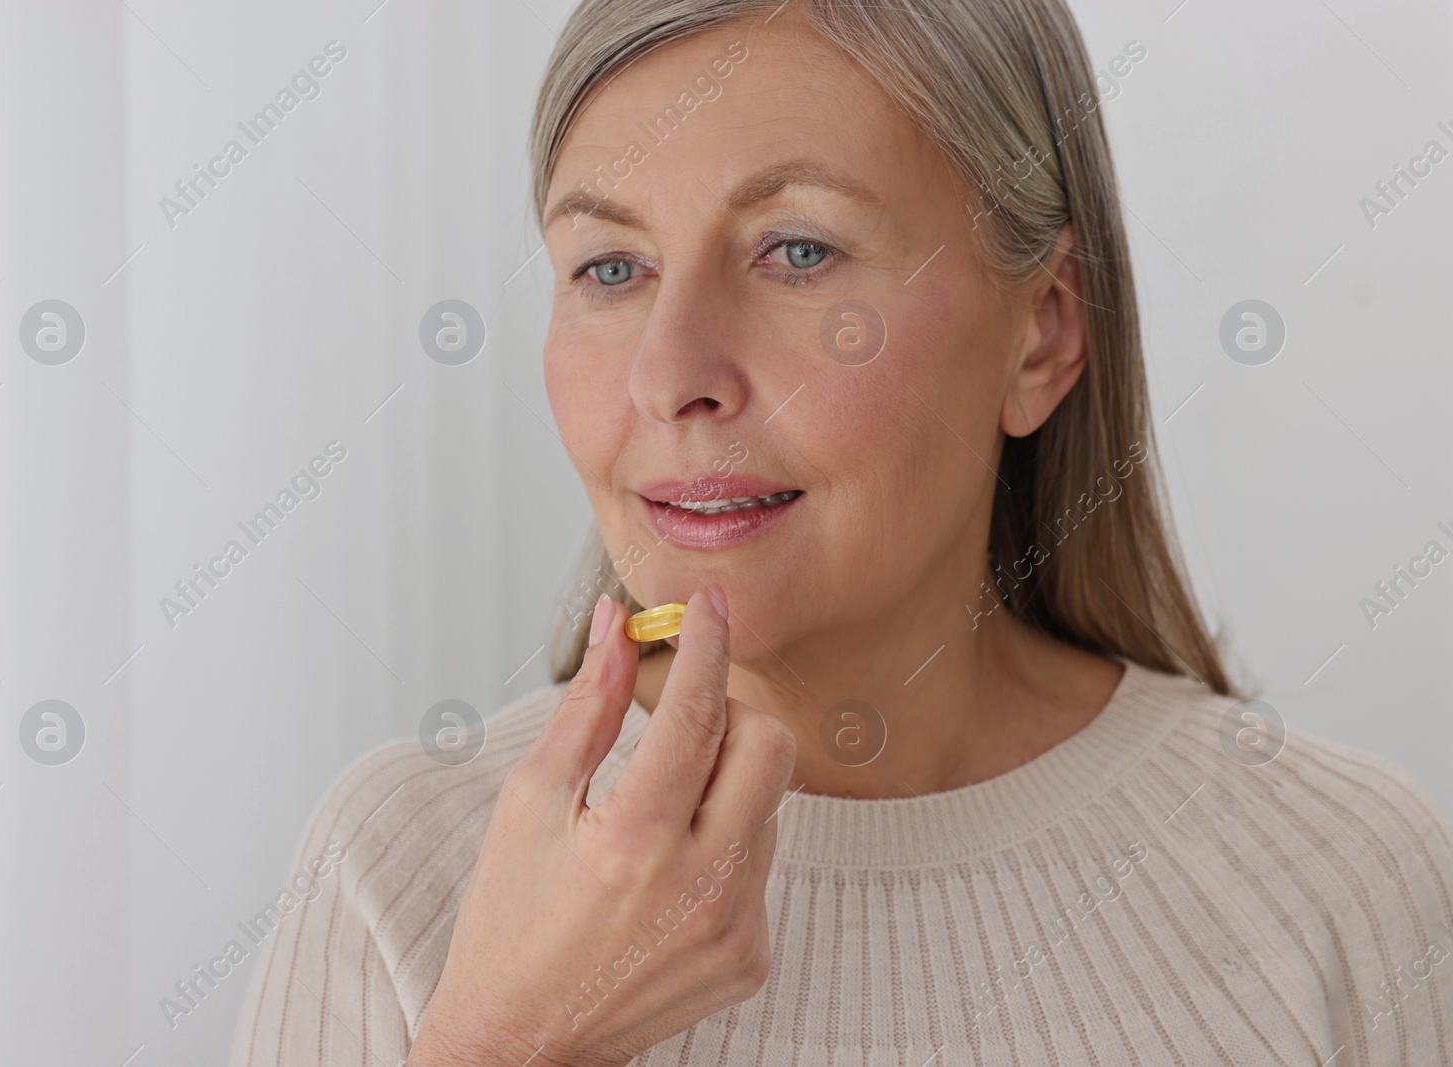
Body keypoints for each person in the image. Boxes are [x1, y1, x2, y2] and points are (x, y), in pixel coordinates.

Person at [231, 1, 1453, 1063]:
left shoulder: (1347, 877)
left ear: (1040, 333)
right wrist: (506, 1046)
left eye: (797, 251)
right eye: (609, 267)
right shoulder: (399, 869)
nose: (671, 374)